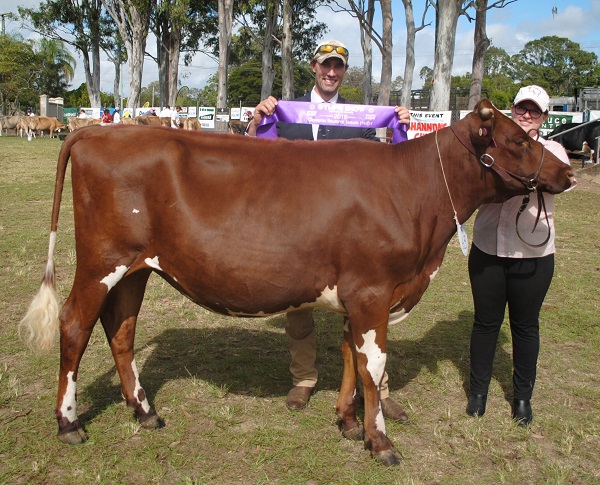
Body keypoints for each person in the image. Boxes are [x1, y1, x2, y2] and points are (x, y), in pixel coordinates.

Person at [245, 39, 411, 422]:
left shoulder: (361, 119)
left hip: (348, 232)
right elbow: (258, 156)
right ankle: (303, 378)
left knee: (366, 309)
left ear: (344, 71)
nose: (331, 72)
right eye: (325, 65)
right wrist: (258, 122)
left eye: (338, 66)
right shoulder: (286, 113)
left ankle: (379, 388)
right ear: (313, 67)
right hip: (297, 227)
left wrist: (399, 128)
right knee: (296, 305)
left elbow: (386, 164)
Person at [466, 85, 571, 427]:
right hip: (488, 249)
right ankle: (478, 392)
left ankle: (522, 397)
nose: (527, 116)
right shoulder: (491, 147)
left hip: (534, 253)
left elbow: (562, 181)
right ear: (512, 110)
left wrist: (527, 150)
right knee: (485, 323)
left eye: (534, 111)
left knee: (525, 327)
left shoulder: (551, 149)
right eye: (521, 109)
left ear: (544, 117)